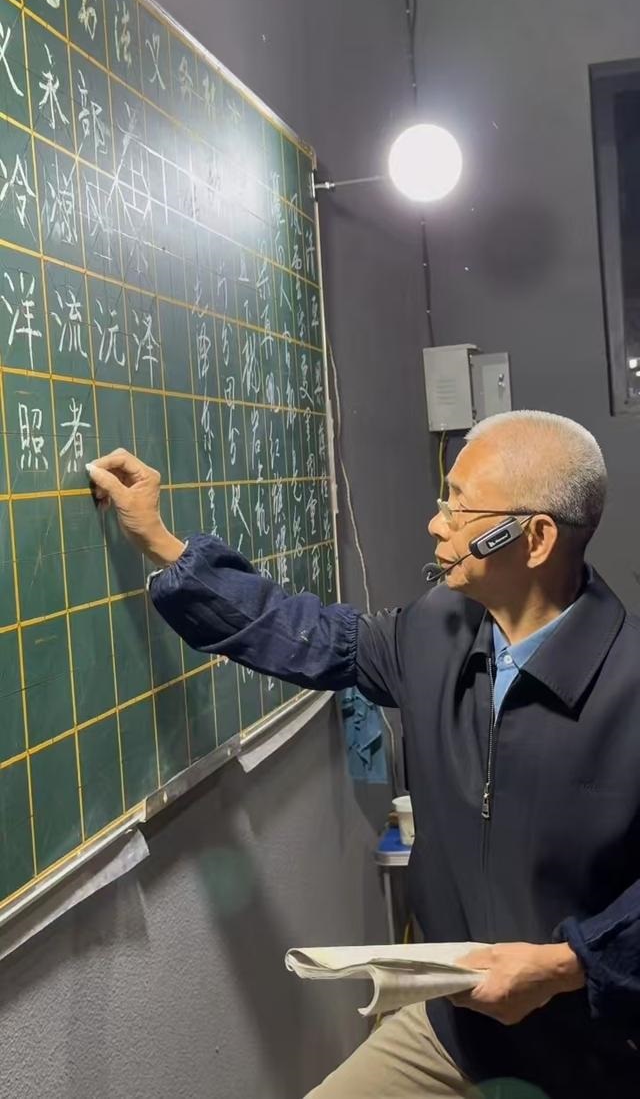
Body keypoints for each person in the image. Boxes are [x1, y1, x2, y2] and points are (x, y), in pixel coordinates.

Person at [87, 410, 640, 1099]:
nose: (436, 524)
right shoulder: (436, 631)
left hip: (602, 1048)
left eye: (460, 507)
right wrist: (167, 547)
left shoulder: (629, 684)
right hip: (459, 1030)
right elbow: (310, 635)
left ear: (534, 538)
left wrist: (565, 967)